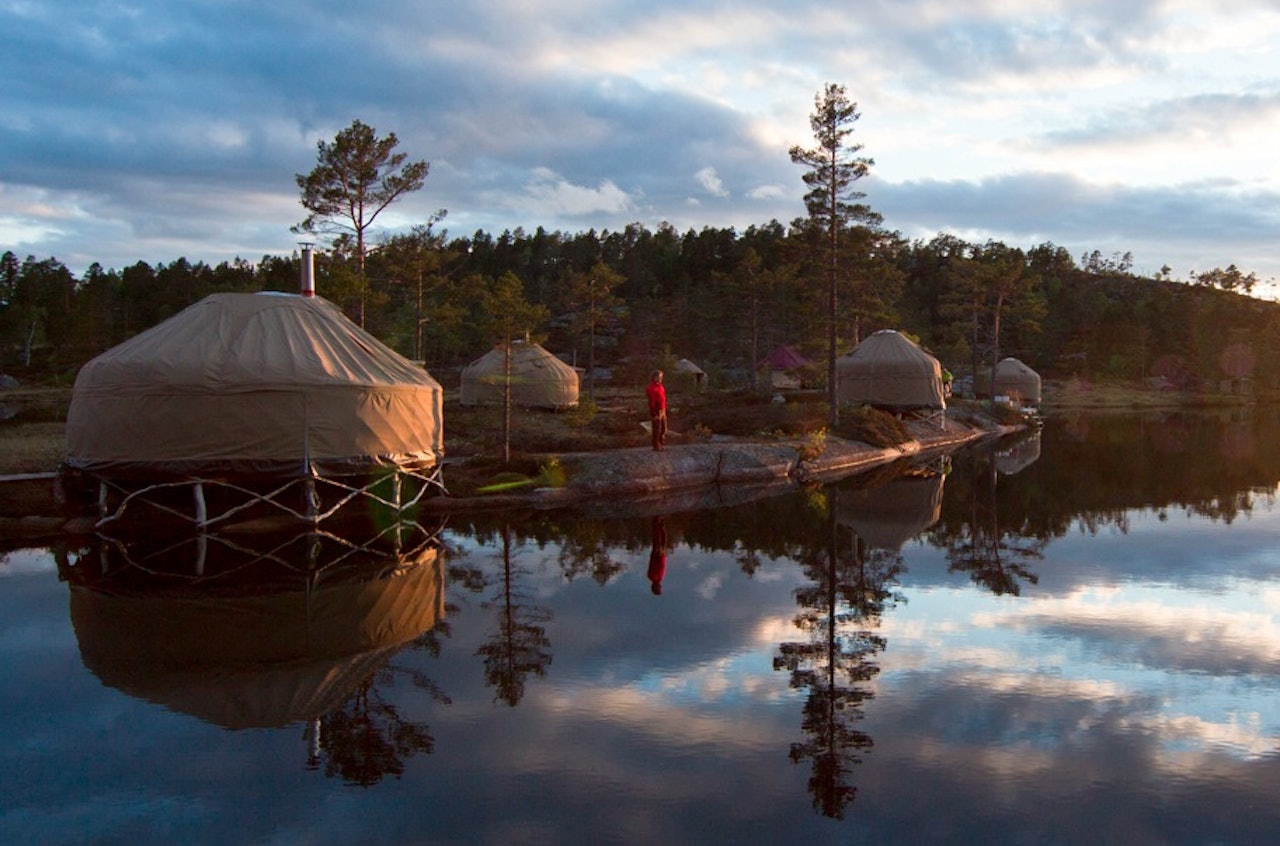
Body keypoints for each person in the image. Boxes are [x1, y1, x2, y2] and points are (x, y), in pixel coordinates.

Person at [646, 369, 667, 451]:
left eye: (661, 377)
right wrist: (654, 414)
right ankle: (656, 446)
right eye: (659, 377)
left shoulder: (660, 386)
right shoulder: (651, 388)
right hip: (656, 410)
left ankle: (661, 444)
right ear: (654, 377)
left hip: (662, 409)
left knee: (663, 428)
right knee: (656, 429)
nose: (661, 379)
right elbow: (651, 402)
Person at [648, 515, 667, 595]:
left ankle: (655, 521)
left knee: (657, 538)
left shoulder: (652, 577)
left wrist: (656, 555)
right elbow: (663, 567)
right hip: (662, 556)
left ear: (654, 587)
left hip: (657, 556)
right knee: (664, 538)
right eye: (660, 589)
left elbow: (652, 565)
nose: (660, 587)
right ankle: (661, 522)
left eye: (658, 589)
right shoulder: (660, 578)